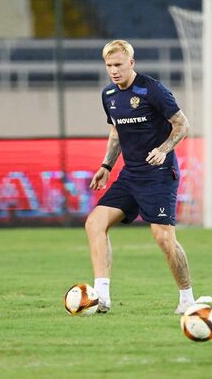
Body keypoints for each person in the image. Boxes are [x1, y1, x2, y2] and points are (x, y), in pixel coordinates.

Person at [85, 40, 195, 314]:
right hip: (130, 174)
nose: (114, 71)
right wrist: (106, 166)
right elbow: (116, 133)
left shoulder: (153, 90)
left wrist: (163, 149)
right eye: (109, 66)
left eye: (119, 65)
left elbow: (182, 124)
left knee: (163, 238)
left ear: (131, 63)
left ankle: (187, 299)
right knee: (95, 223)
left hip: (158, 174)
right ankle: (102, 295)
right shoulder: (108, 94)